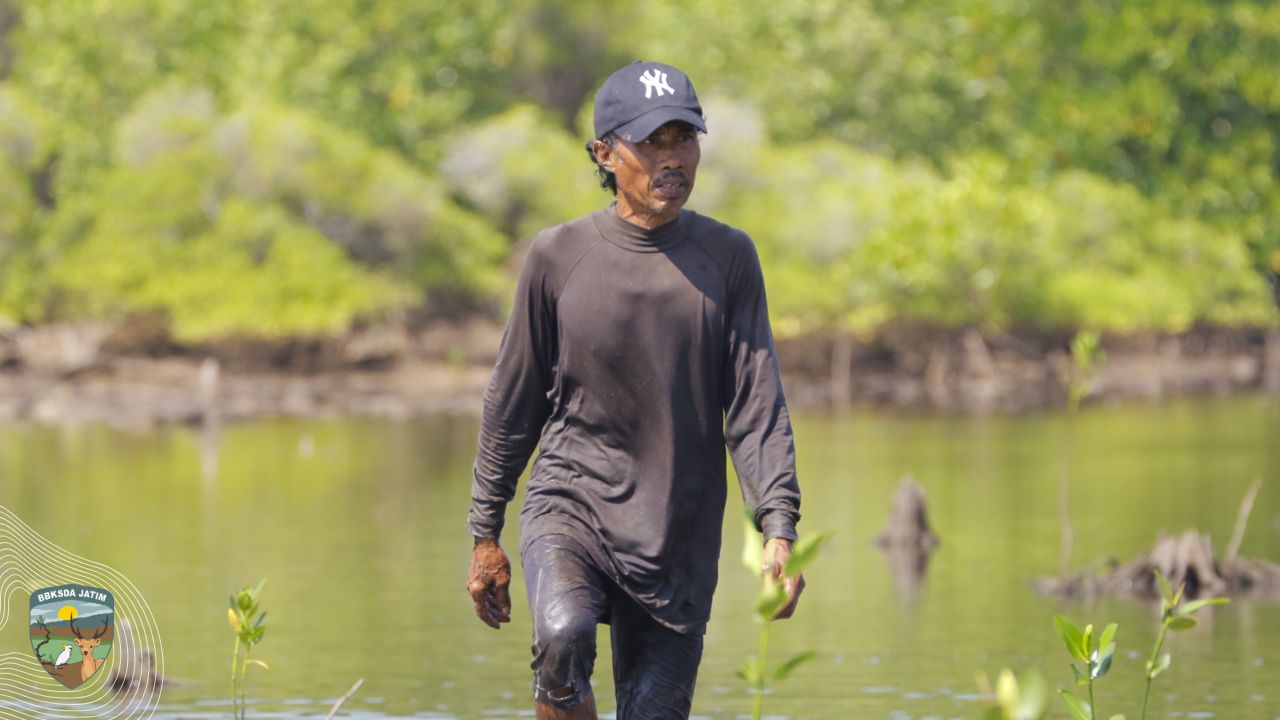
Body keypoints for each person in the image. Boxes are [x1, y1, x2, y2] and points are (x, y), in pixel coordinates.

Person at [465, 60, 804, 720]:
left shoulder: (728, 259)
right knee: (561, 638)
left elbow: (756, 404)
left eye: (684, 139)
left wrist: (779, 528)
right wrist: (485, 532)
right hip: (571, 505)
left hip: (679, 530)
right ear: (604, 152)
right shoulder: (556, 258)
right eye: (652, 142)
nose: (671, 159)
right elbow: (513, 401)